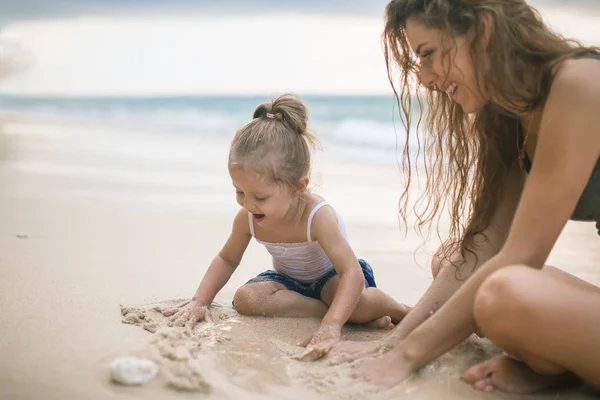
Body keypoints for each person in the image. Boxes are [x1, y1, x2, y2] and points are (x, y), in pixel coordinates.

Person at [328, 0, 600, 393]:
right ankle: (559, 365)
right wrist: (396, 338)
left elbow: (524, 256)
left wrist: (404, 359)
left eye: (428, 54)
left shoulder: (580, 84)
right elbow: (487, 244)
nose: (423, 77)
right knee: (457, 260)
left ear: (483, 30)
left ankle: (558, 363)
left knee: (502, 295)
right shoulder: (511, 117)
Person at [162, 94, 409, 355]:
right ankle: (348, 317)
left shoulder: (318, 217)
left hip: (335, 279)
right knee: (246, 299)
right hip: (288, 283)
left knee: (355, 304)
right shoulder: (247, 217)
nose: (247, 204)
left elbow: (351, 273)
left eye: (260, 196)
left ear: (298, 188)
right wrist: (200, 301)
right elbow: (226, 259)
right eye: (239, 191)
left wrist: (332, 326)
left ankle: (403, 311)